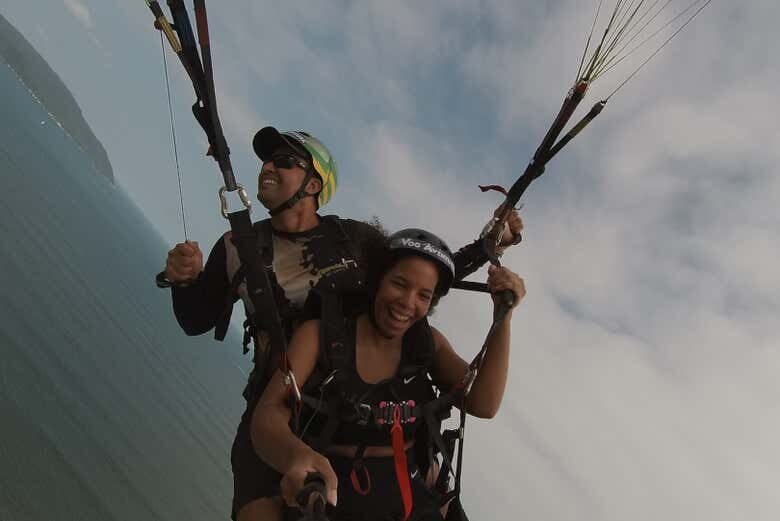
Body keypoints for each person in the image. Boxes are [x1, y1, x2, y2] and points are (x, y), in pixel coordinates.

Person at [157, 127, 524, 520]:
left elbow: (417, 274)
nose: (267, 167)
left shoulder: (352, 239)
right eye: (267, 159)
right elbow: (196, 320)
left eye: (285, 161)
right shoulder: (236, 248)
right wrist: (184, 281)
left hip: (354, 399)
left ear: (313, 184)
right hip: (282, 400)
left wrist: (490, 246)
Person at [252, 228, 526, 521]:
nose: (408, 303)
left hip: (409, 493)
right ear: (377, 281)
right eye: (399, 284)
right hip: (329, 488)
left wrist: (503, 317)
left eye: (424, 295)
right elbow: (270, 410)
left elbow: (483, 403)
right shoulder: (320, 336)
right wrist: (296, 456)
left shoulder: (427, 345)